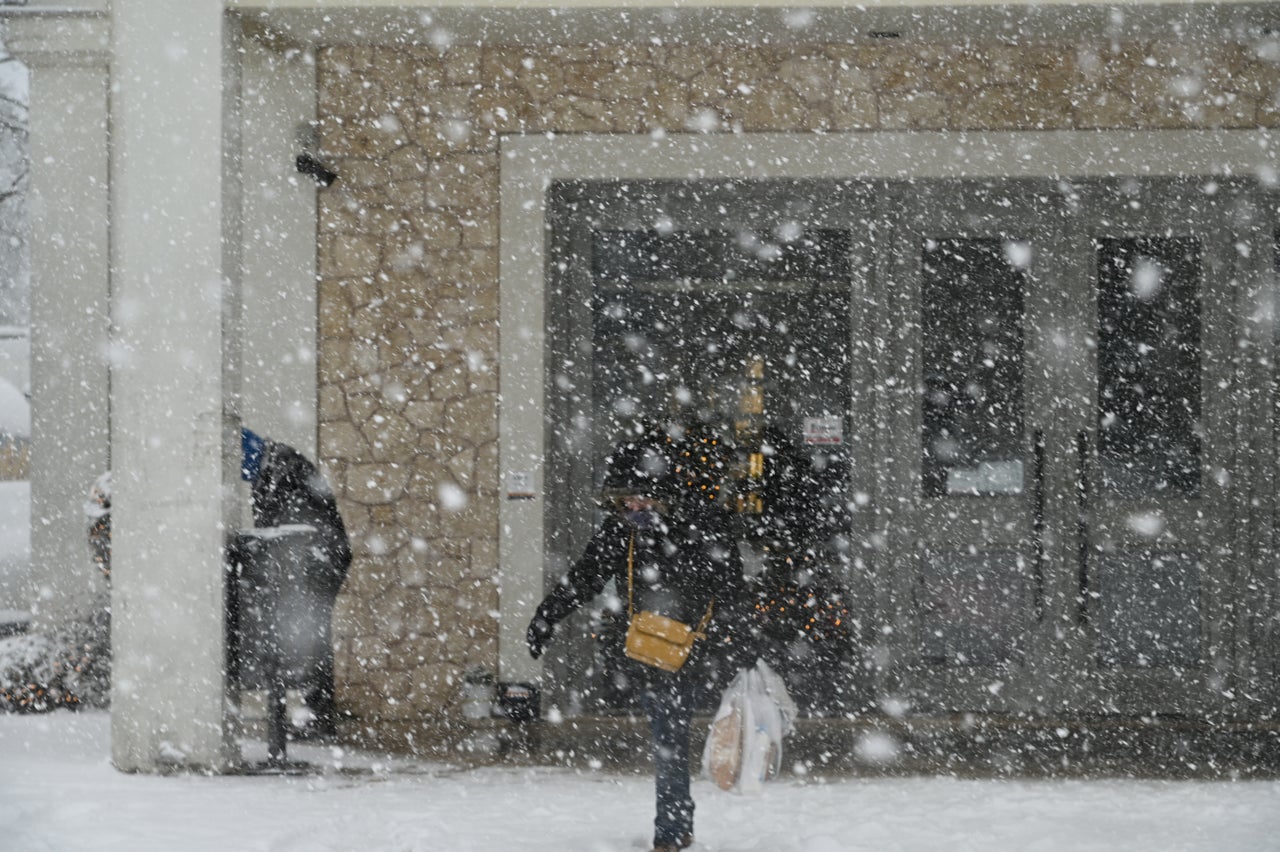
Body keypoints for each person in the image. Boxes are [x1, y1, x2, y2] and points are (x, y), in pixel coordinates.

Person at [526, 423, 754, 852]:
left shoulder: (703, 527)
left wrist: (739, 645)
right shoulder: (622, 531)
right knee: (669, 735)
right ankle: (677, 824)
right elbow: (585, 577)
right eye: (624, 498)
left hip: (692, 652)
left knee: (670, 736)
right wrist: (547, 616)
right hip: (647, 652)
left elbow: (731, 591)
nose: (632, 504)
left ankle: (669, 833)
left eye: (640, 496)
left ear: (663, 493)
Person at [237, 428, 352, 737]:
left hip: (318, 559)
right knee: (310, 634)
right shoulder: (275, 466)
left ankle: (318, 715)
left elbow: (291, 527)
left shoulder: (281, 468)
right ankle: (315, 712)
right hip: (318, 557)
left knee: (311, 636)